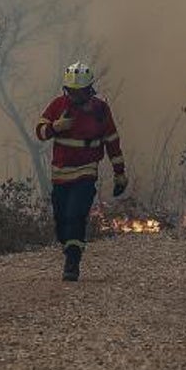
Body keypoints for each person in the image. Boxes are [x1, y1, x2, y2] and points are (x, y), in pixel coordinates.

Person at [35, 62, 127, 281]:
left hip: (86, 172)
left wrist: (120, 172)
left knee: (76, 215)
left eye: (80, 91)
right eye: (72, 91)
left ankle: (72, 263)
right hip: (60, 174)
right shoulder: (58, 106)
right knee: (61, 221)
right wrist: (55, 127)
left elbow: (112, 141)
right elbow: (39, 131)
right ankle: (69, 248)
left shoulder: (100, 110)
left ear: (89, 89)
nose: (75, 95)